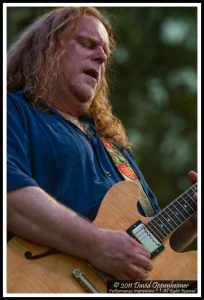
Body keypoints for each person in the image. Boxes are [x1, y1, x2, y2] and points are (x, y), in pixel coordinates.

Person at [7, 7, 197, 281]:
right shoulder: (13, 110)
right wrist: (95, 243)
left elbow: (145, 241)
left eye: (105, 53)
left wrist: (190, 224)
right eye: (87, 44)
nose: (102, 56)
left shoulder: (114, 147)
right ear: (46, 48)